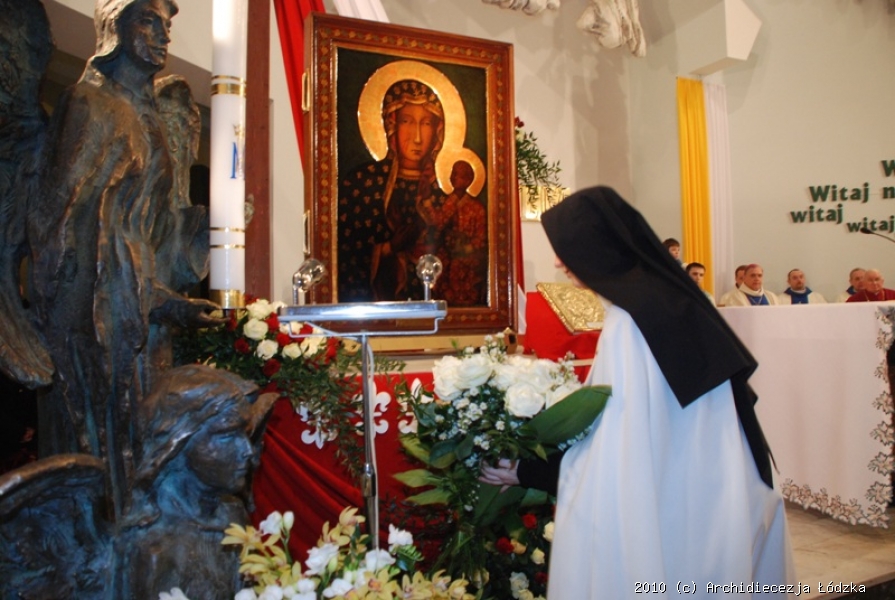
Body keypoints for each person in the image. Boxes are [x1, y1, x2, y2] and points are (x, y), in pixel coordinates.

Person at [481, 186, 794, 598]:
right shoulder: (666, 297)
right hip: (718, 494)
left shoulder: (629, 322)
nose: (558, 262)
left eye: (565, 249)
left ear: (595, 246)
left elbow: (615, 454)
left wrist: (527, 471)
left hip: (677, 510)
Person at [27, 0, 223, 515]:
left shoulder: (150, 115)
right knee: (106, 452)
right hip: (95, 315)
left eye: (168, 24)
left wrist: (204, 228)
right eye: (148, 20)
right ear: (116, 27)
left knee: (144, 445)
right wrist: (151, 296)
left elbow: (153, 228)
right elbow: (65, 226)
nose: (163, 35)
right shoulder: (89, 104)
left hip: (139, 305)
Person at [337, 79, 446, 302]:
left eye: (426, 123)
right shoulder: (362, 183)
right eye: (407, 121)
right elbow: (346, 255)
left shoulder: (441, 192)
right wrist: (388, 248)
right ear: (391, 125)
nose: (417, 137)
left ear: (438, 130)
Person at [422, 160, 487, 306]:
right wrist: (427, 200)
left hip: (467, 262)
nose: (453, 177)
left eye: (458, 175)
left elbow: (481, 237)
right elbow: (438, 221)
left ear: (468, 180)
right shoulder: (449, 202)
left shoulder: (477, 208)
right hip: (447, 258)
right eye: (453, 173)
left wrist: (465, 249)